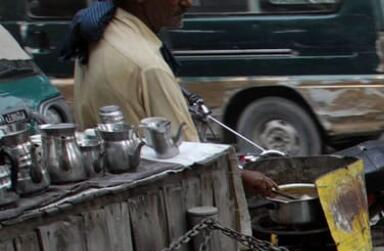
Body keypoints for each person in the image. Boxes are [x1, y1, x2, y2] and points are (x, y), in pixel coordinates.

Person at [62, 0, 277, 196]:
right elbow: (190, 158)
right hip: (150, 196)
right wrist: (239, 177)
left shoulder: (100, 32)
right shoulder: (147, 66)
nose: (188, 3)